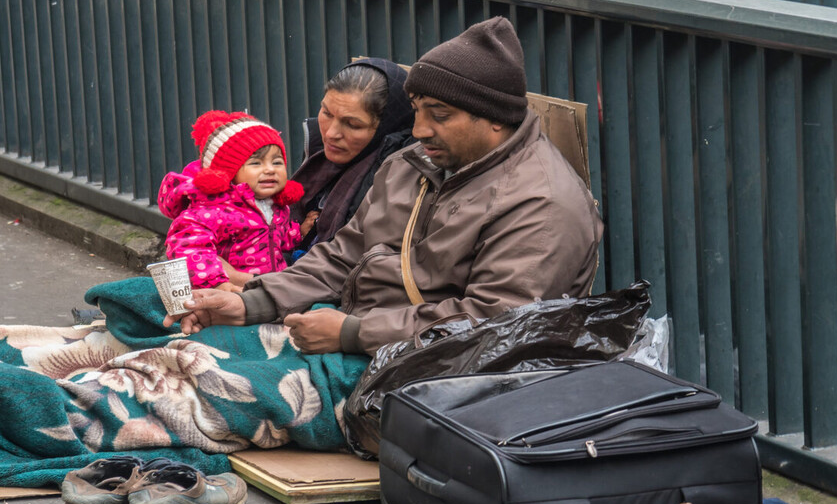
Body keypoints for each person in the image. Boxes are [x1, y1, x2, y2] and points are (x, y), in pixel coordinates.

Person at [165, 17, 604, 355]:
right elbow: (342, 255)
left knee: (177, 387)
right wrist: (252, 305)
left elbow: (498, 323)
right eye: (416, 110)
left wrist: (353, 334)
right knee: (157, 318)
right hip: (356, 328)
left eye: (439, 114)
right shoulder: (411, 164)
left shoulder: (543, 203)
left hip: (430, 374)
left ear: (493, 118)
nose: (420, 129)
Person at [157, 110, 318, 291]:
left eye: (277, 162)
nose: (270, 170)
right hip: (229, 290)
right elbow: (189, 247)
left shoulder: (275, 206)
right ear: (228, 173)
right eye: (256, 163)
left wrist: (299, 233)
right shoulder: (214, 210)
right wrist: (217, 283)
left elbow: (276, 238)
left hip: (268, 287)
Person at [290, 58, 415, 254]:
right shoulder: (317, 159)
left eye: (353, 125)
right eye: (326, 113)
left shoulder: (395, 185)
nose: (331, 133)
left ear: (386, 128)